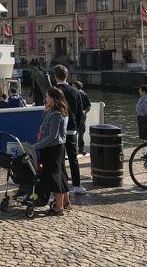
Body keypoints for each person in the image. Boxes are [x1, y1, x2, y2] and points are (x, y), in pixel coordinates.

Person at [34, 87, 71, 216]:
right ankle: (66, 202)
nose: (45, 99)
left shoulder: (56, 114)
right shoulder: (59, 111)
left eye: (47, 97)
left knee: (54, 175)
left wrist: (37, 146)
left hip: (53, 149)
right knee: (61, 175)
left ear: (53, 99)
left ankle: (59, 208)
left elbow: (52, 136)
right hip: (58, 147)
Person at [53, 64, 86, 195]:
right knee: (73, 158)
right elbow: (79, 113)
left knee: (58, 159)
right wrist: (75, 127)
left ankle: (62, 185)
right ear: (67, 76)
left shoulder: (53, 91)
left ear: (55, 76)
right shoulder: (75, 92)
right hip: (71, 129)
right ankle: (77, 185)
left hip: (56, 130)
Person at [71, 81, 91, 155]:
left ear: (76, 87)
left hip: (76, 116)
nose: (71, 87)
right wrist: (85, 111)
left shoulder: (76, 94)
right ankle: (80, 150)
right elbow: (89, 106)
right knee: (80, 134)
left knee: (74, 134)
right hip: (82, 116)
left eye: (73, 86)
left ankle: (75, 150)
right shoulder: (85, 94)